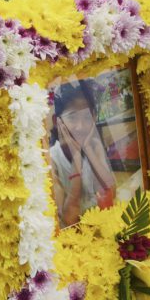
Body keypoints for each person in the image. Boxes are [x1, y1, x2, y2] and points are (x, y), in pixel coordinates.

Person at [49, 81, 117, 228]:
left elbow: (112, 192)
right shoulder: (51, 159)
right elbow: (69, 220)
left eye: (86, 117)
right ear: (57, 121)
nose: (80, 126)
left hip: (98, 225)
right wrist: (76, 166)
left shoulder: (94, 146)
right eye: (72, 117)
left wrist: (88, 149)